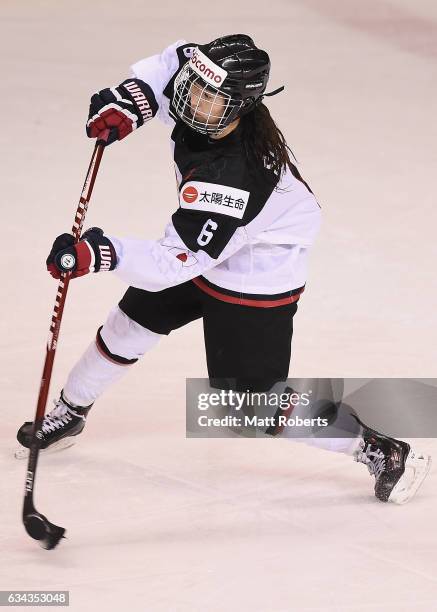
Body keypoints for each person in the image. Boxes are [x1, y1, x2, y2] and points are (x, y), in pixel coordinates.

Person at [17, 35, 430, 504]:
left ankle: (379, 448)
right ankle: (72, 409)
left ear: (242, 107)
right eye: (195, 87)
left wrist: (99, 252)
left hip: (257, 271)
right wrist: (133, 100)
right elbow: (173, 59)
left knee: (249, 407)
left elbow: (169, 263)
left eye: (212, 98)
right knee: (130, 322)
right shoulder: (204, 89)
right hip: (205, 244)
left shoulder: (231, 177)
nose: (195, 101)